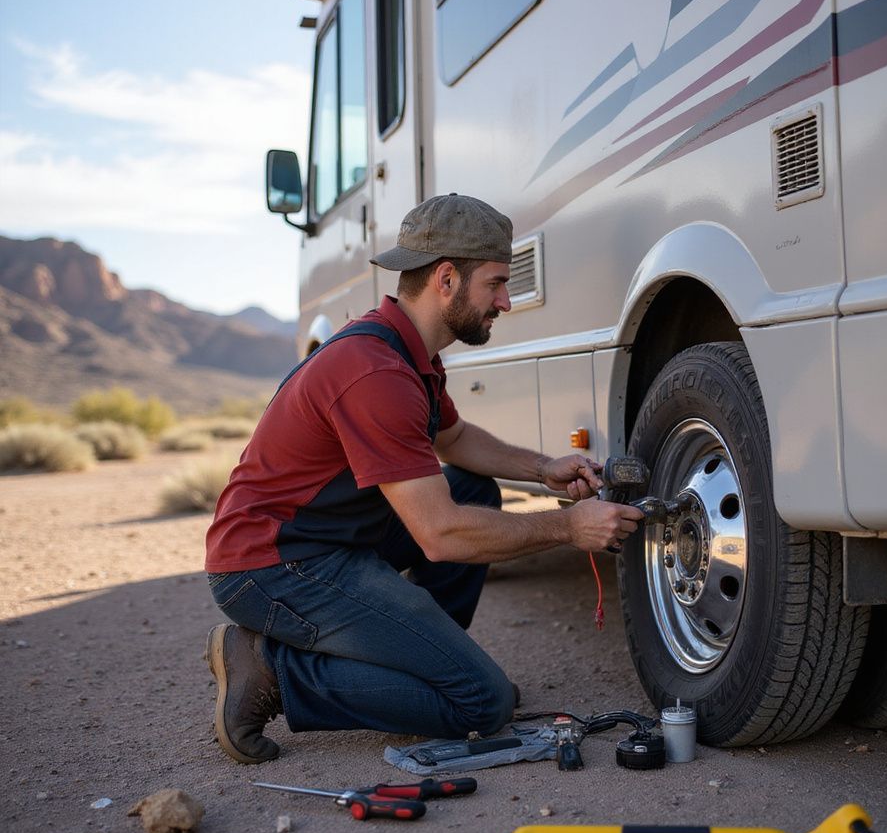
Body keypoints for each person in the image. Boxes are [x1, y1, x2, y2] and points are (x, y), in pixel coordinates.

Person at [203, 193, 644, 764]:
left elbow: (455, 441)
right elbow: (441, 536)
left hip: (326, 539)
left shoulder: (407, 351)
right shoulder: (376, 372)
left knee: (471, 489)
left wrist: (544, 469)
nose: (506, 301)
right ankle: (268, 667)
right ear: (445, 279)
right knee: (480, 705)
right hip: (272, 566)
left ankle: (433, 660)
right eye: (496, 284)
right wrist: (568, 528)